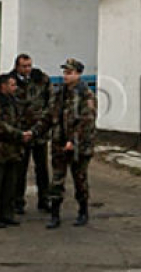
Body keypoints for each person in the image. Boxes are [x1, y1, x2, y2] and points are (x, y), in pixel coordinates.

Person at [35, 58, 96, 229]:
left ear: (78, 74)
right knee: (57, 180)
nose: (66, 76)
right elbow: (48, 115)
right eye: (64, 72)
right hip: (59, 143)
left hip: (78, 146)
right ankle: (55, 215)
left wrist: (73, 141)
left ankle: (83, 211)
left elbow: (87, 122)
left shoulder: (86, 95)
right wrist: (35, 132)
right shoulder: (59, 93)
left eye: (69, 73)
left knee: (80, 179)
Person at [0, 73, 31, 228]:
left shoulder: (12, 102)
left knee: (10, 185)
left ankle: (6, 214)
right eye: (12, 85)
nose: (15, 88)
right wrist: (18, 134)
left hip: (11, 150)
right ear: (3, 86)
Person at [9, 53, 53, 215]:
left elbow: (50, 103)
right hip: (21, 131)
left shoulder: (41, 79)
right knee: (20, 168)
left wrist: (44, 125)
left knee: (42, 168)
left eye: (29, 66)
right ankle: (17, 201)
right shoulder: (11, 81)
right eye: (24, 66)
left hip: (39, 131)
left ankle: (44, 199)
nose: (27, 69)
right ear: (17, 66)